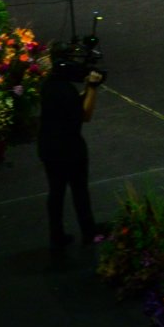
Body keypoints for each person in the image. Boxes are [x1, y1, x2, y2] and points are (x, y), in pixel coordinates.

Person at [38, 50, 104, 252]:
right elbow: (85, 115)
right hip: (70, 148)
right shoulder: (66, 90)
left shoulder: (49, 85)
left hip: (48, 147)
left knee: (56, 192)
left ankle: (56, 235)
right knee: (79, 190)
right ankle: (89, 231)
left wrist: (84, 91)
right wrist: (92, 88)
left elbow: (73, 103)